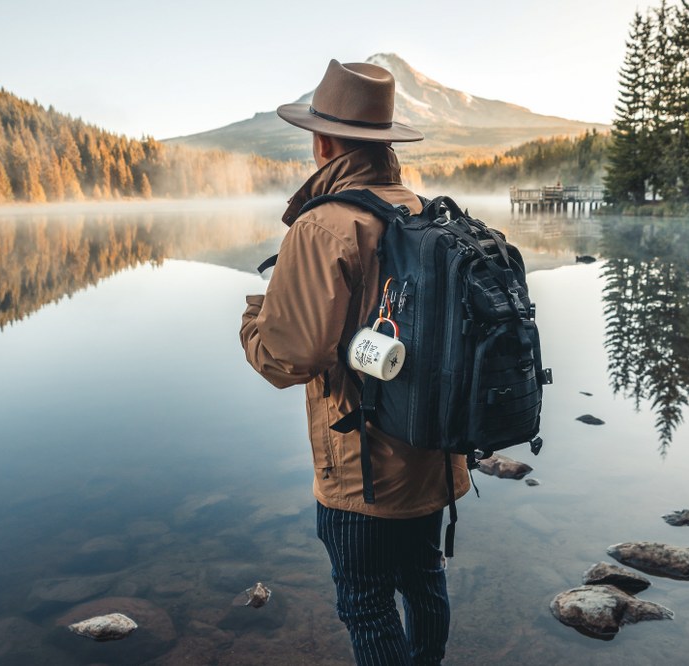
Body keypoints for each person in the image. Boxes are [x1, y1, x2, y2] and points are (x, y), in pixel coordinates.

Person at [239, 59, 470, 665]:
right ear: (385, 142)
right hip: (435, 451)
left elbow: (288, 358)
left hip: (361, 468)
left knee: (366, 605)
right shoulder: (423, 211)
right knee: (424, 581)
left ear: (323, 141)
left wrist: (252, 321)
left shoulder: (323, 227)